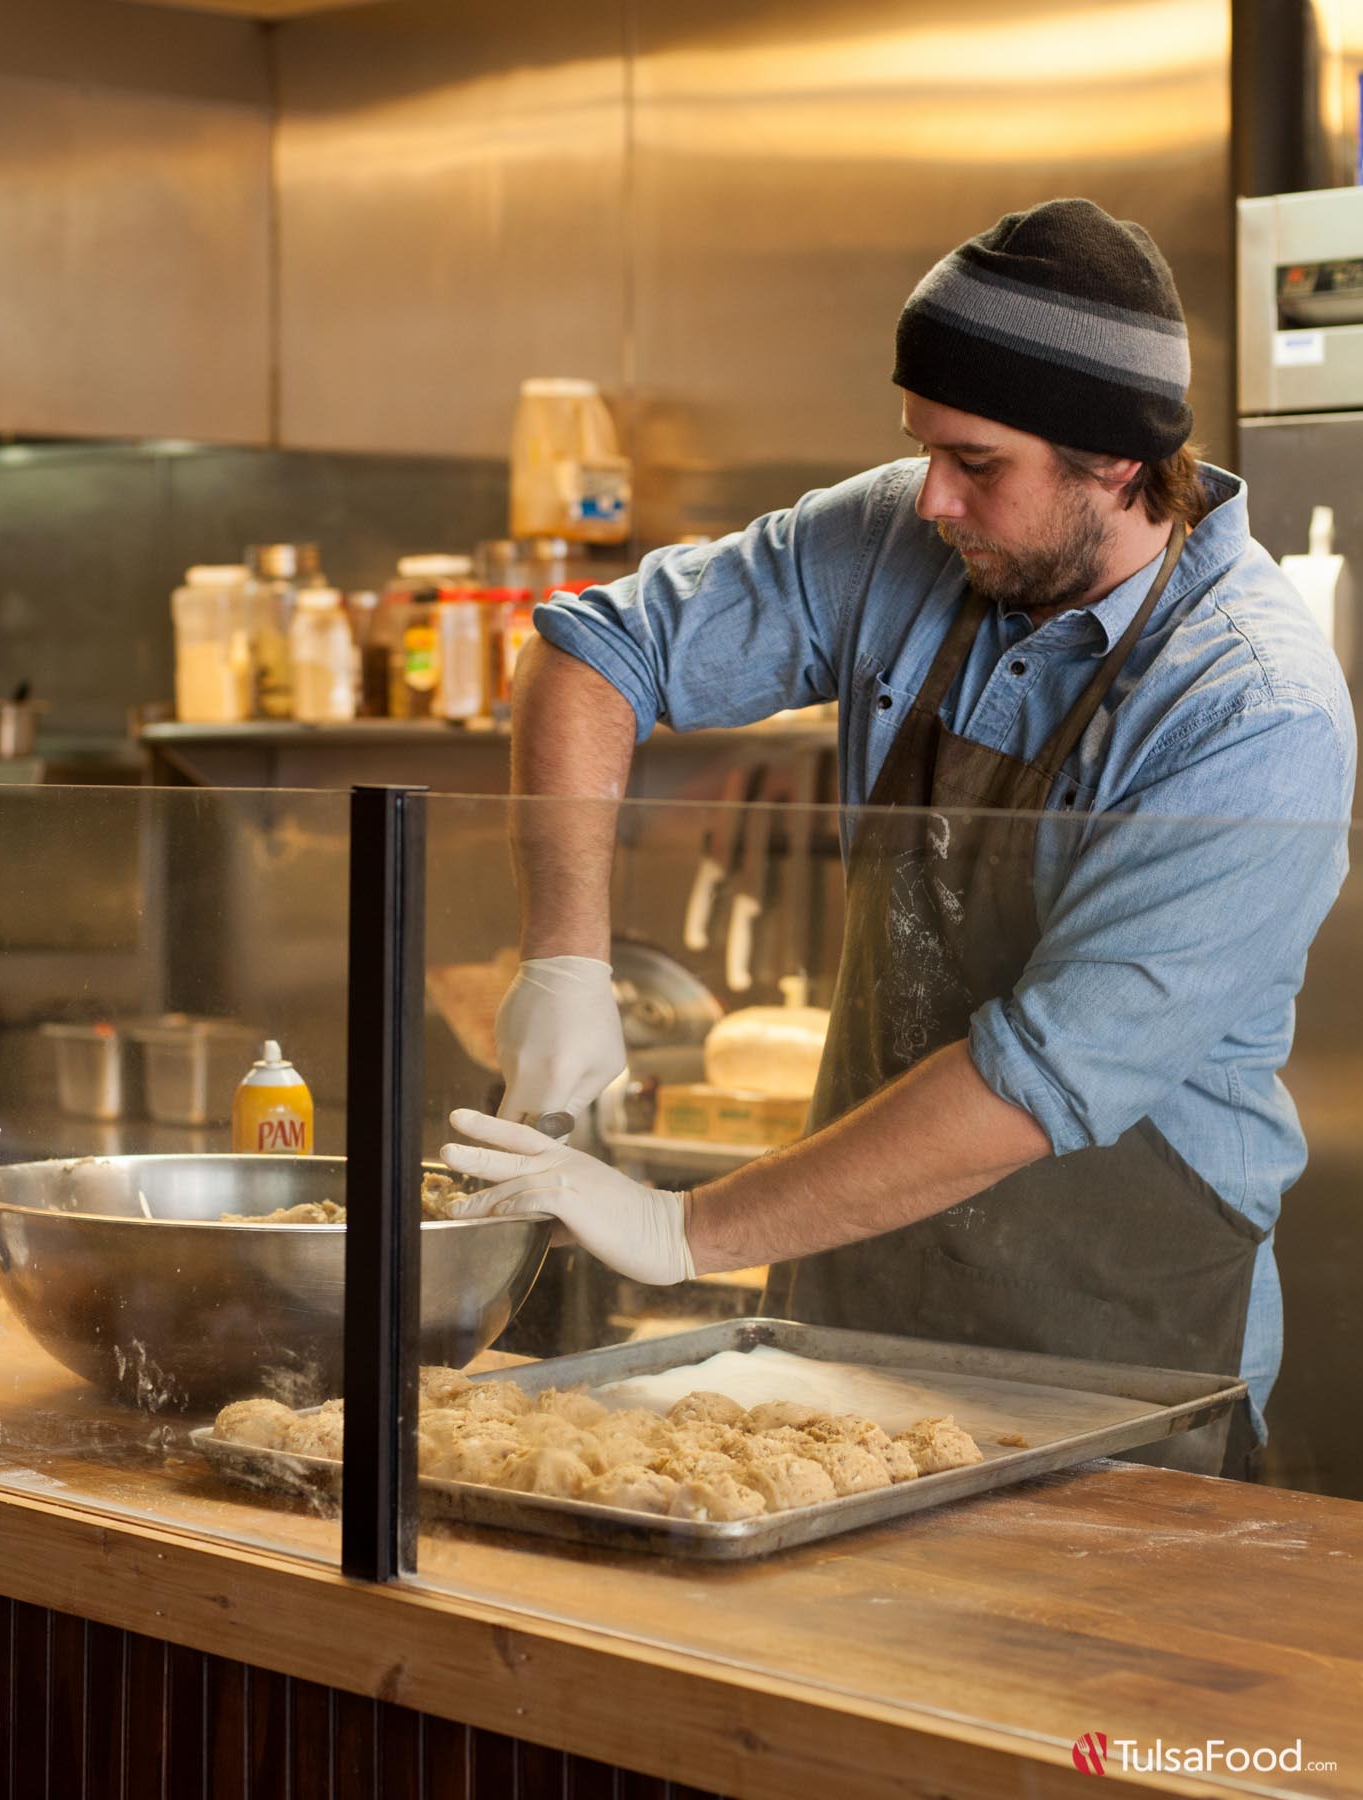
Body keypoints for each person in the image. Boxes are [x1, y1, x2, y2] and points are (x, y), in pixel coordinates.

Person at [442, 198, 1356, 1478]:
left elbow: (1035, 1081)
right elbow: (596, 649)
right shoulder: (902, 538)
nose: (931, 497)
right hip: (848, 1317)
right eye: (921, 447)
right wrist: (564, 959)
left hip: (1117, 1353)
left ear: (1113, 461)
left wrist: (679, 1230)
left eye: (975, 462)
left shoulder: (1250, 711)